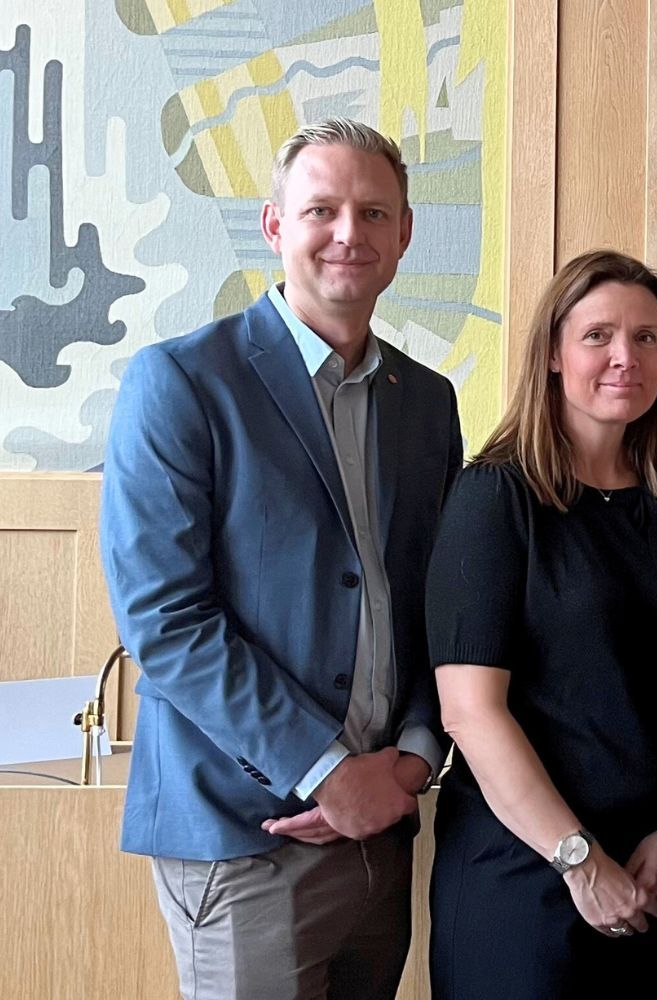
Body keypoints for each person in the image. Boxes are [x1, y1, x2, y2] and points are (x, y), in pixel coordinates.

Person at [99, 118, 460, 1000]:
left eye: (374, 212)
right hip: (246, 833)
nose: (349, 233)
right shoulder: (181, 382)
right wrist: (328, 772)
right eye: (321, 209)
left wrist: (412, 759)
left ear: (404, 234)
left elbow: (436, 600)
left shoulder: (429, 402)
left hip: (381, 828)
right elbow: (166, 623)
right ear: (273, 226)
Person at [424, 250, 657, 998]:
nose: (627, 357)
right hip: (527, 874)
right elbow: (469, 712)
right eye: (600, 336)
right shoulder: (494, 499)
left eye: (648, 338)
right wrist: (581, 862)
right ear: (553, 353)